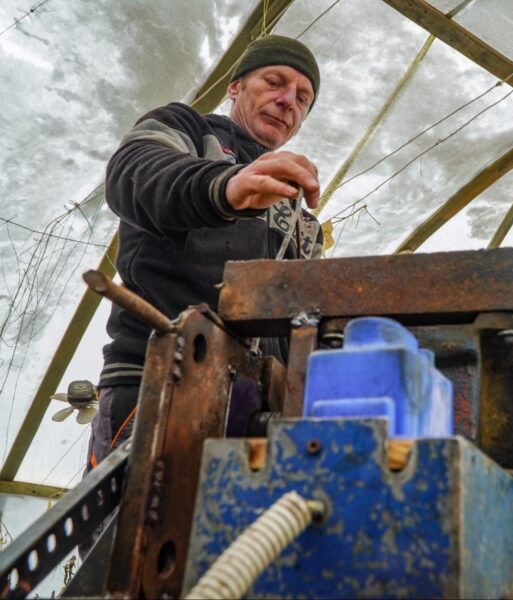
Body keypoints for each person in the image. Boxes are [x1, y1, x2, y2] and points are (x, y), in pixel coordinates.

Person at [86, 35, 323, 474]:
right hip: (157, 383)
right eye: (275, 81)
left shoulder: (302, 217)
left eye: (303, 98)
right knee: (136, 534)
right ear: (235, 87)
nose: (289, 100)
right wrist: (225, 187)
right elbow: (132, 172)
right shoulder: (187, 130)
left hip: (260, 410)